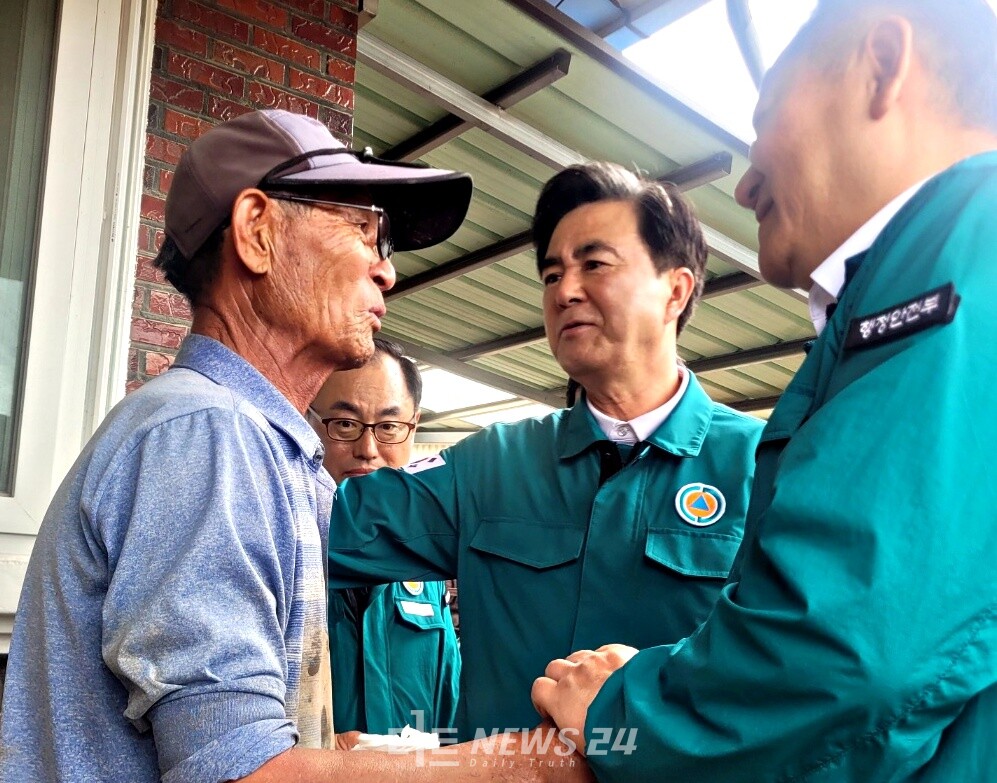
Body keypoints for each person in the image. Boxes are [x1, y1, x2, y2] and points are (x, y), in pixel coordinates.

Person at [0, 109, 590, 783]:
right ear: (257, 233)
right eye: (363, 229)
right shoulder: (205, 433)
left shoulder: (257, 445)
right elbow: (243, 772)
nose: (385, 272)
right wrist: (539, 766)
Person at [531, 1, 997, 781]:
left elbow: (853, 647)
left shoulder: (962, 246)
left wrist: (625, 707)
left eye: (763, 120)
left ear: (880, 68)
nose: (745, 184)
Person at [328, 161, 765, 741]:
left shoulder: (760, 469)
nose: (566, 291)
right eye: (552, 273)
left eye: (594, 264)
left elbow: (807, 678)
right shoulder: (492, 465)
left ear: (675, 291)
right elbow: (315, 526)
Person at [310, 338, 460, 740]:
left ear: (414, 427)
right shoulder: (280, 554)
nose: (368, 449)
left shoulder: (426, 564)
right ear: (306, 422)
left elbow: (449, 706)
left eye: (389, 426)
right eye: (344, 424)